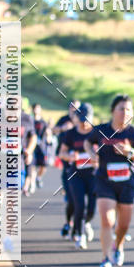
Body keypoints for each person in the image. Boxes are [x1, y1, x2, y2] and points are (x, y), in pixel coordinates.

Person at [84, 95, 134, 267]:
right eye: (121, 108)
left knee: (123, 225)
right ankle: (105, 258)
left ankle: (118, 246)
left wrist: (130, 152)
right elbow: (87, 142)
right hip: (105, 181)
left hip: (127, 183)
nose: (125, 112)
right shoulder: (101, 129)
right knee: (107, 221)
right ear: (113, 111)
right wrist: (91, 153)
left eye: (128, 109)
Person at [58, 103, 98, 249]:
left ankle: (86, 223)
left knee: (92, 209)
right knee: (79, 204)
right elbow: (61, 153)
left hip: (93, 174)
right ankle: (80, 235)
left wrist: (97, 159)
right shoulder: (71, 134)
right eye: (81, 119)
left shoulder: (96, 133)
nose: (83, 123)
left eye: (86, 119)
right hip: (76, 174)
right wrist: (69, 156)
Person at [55, 101, 80, 238]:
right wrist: (63, 128)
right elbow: (53, 130)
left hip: (84, 169)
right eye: (73, 107)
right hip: (67, 164)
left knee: (82, 201)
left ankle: (81, 224)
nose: (75, 110)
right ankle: (69, 223)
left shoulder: (85, 124)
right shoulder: (64, 120)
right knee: (71, 199)